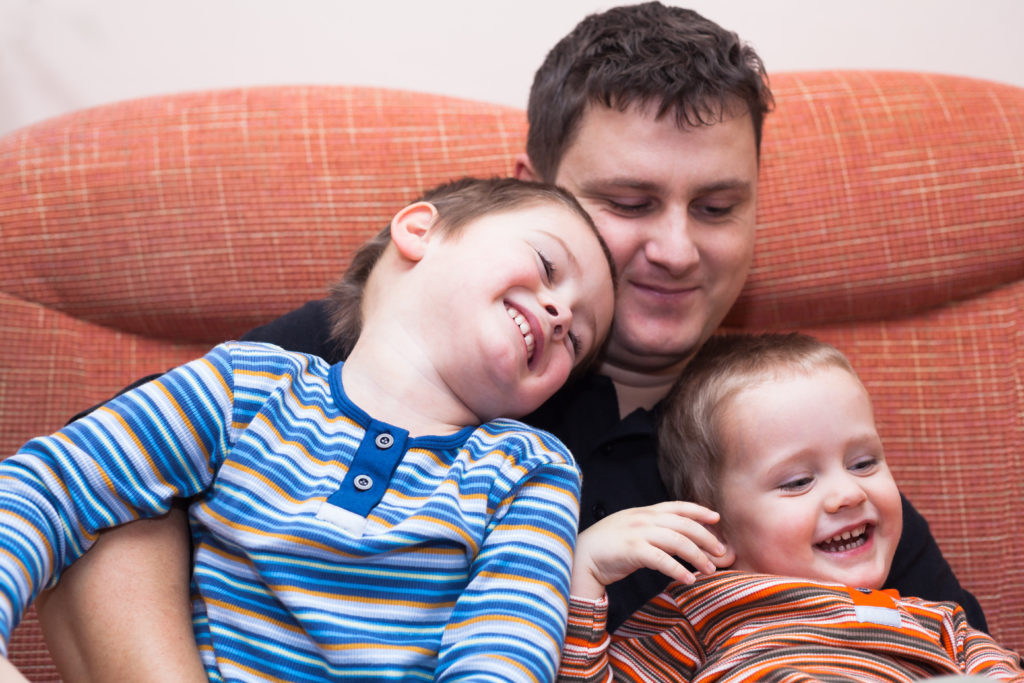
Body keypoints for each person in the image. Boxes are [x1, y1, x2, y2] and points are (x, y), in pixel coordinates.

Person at [35, 2, 985, 678]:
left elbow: (947, 641)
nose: (676, 248)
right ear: (534, 185)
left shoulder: (793, 428)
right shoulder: (402, 339)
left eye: (719, 206)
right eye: (628, 201)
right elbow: (103, 486)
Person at [0, 178, 616, 682]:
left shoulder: (533, 472)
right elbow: (51, 487)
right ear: (421, 230)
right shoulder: (243, 386)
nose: (563, 315)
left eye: (580, 338)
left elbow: (505, 658)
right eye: (546, 264)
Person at [558, 332, 1024, 682]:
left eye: (863, 463)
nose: (848, 493)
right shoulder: (699, 612)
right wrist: (586, 570)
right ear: (715, 533)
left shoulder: (939, 621)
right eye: (798, 481)